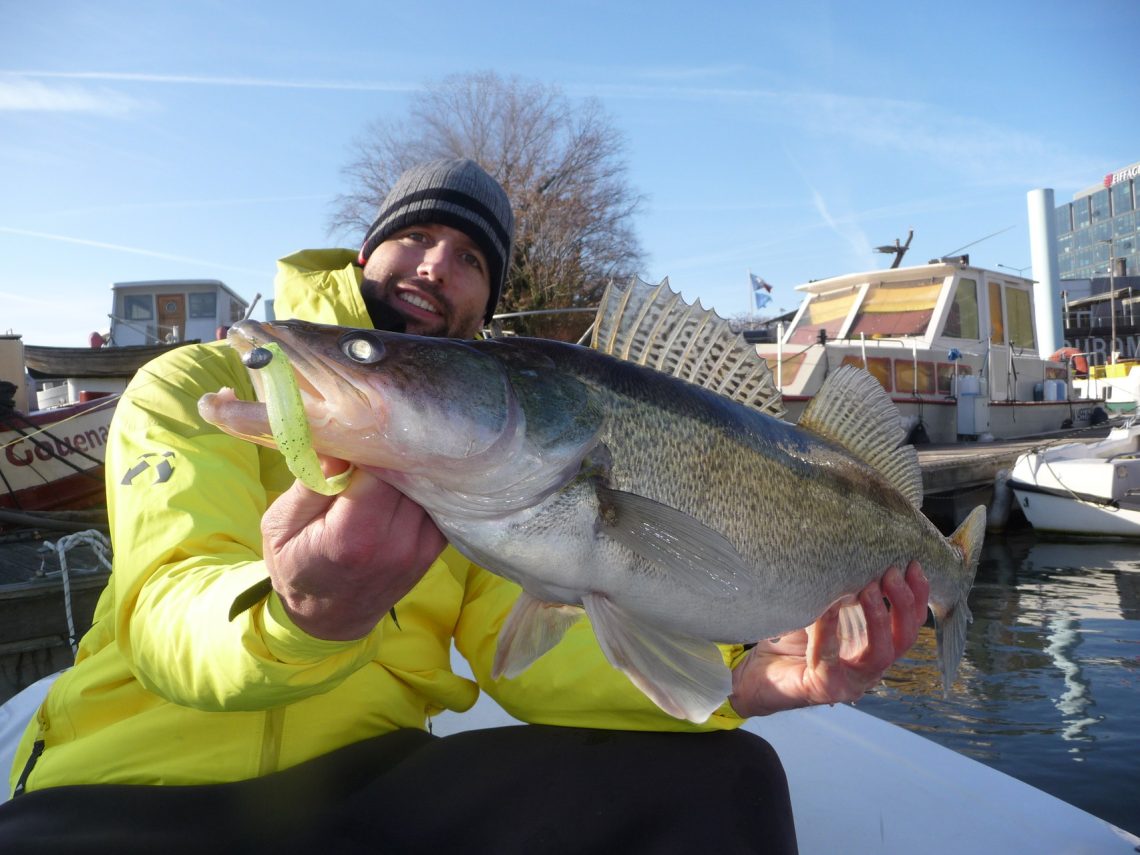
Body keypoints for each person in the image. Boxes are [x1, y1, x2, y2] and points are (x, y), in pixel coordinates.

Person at [0, 159, 930, 854]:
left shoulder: (494, 465)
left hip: (366, 794)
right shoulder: (190, 384)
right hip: (124, 786)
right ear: (366, 252)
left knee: (726, 782)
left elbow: (527, 656)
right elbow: (164, 611)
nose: (437, 265)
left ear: (485, 307)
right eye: (416, 238)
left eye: (472, 257)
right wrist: (300, 614)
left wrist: (746, 681)